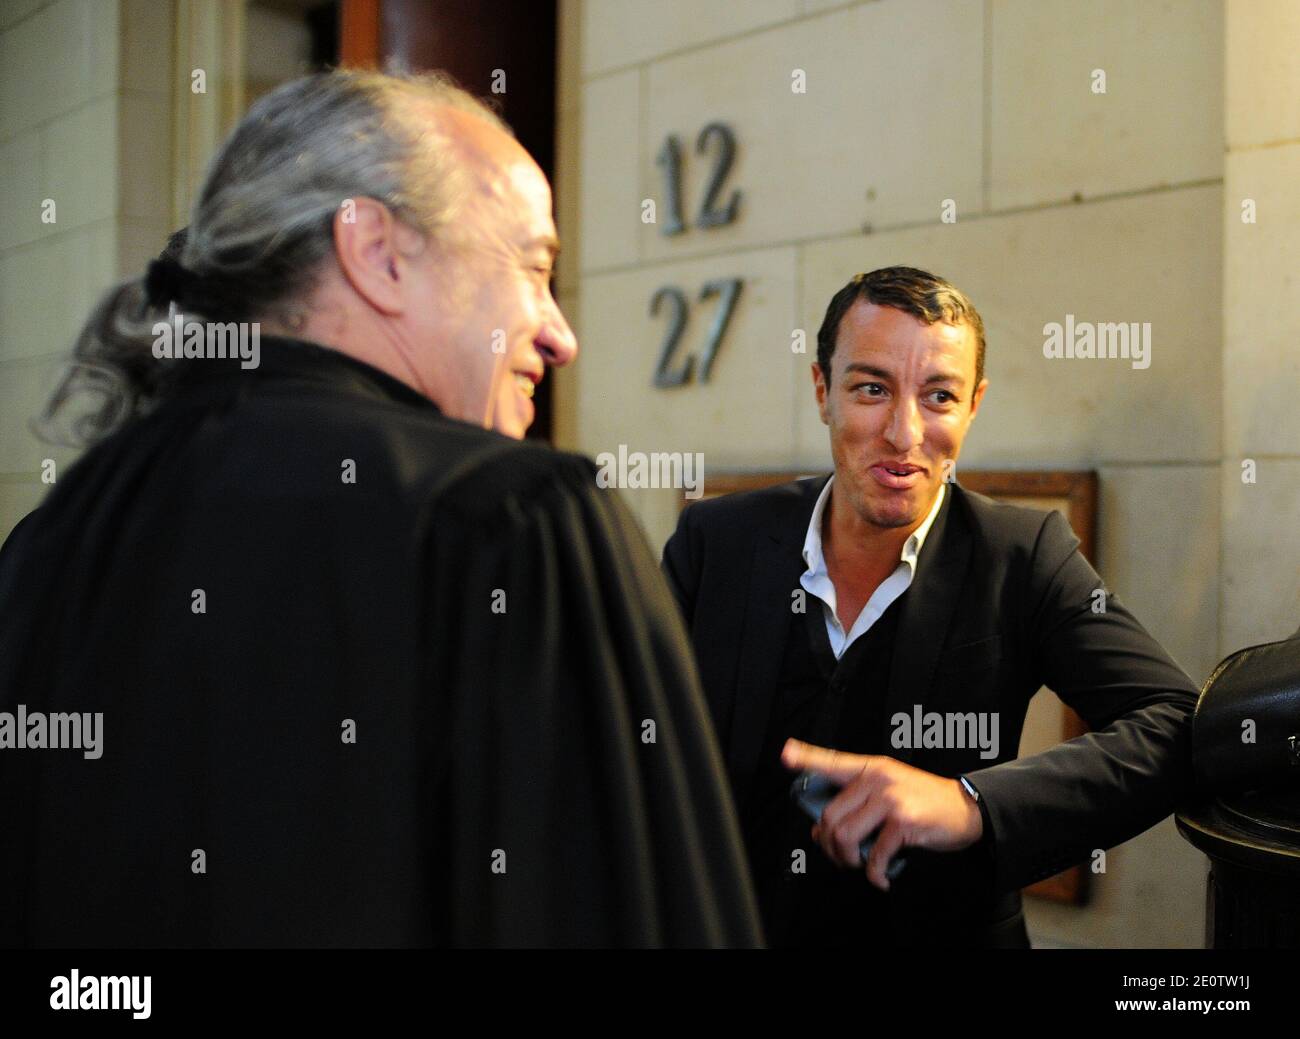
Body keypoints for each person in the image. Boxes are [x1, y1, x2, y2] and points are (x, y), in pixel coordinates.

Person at [0, 70, 761, 948]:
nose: (560, 333)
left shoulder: (51, 540)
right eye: (535, 265)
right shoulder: (518, 524)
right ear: (378, 252)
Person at [662, 266, 1198, 948]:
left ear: (973, 406)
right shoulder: (715, 541)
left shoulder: (1024, 554)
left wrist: (970, 803)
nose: (904, 433)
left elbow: (1176, 723)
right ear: (823, 390)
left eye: (938, 395)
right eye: (872, 388)